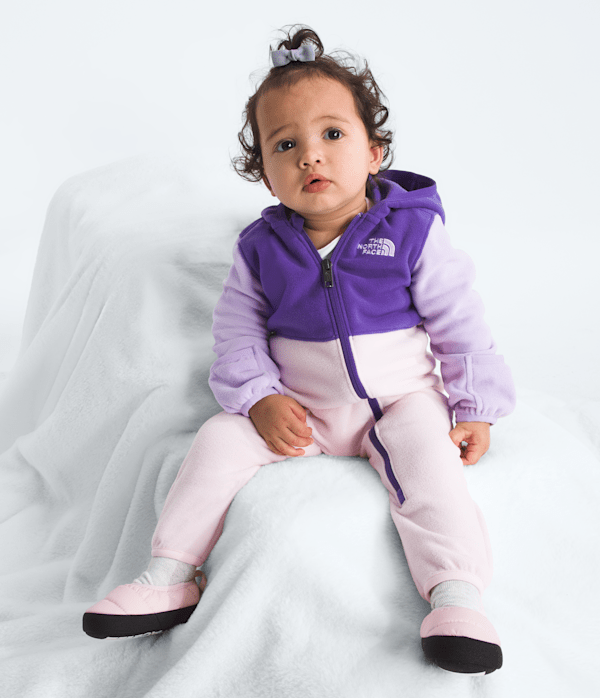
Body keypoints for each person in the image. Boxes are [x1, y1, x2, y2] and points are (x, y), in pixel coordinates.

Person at [83, 26, 515, 675]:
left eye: (332, 134)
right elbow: (236, 333)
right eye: (286, 145)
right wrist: (259, 399)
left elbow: (459, 321)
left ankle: (456, 596)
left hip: (398, 402)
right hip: (301, 409)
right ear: (265, 172)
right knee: (216, 441)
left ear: (374, 152)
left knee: (429, 464)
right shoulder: (261, 249)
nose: (311, 156)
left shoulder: (412, 232)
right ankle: (169, 574)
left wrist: (475, 406)